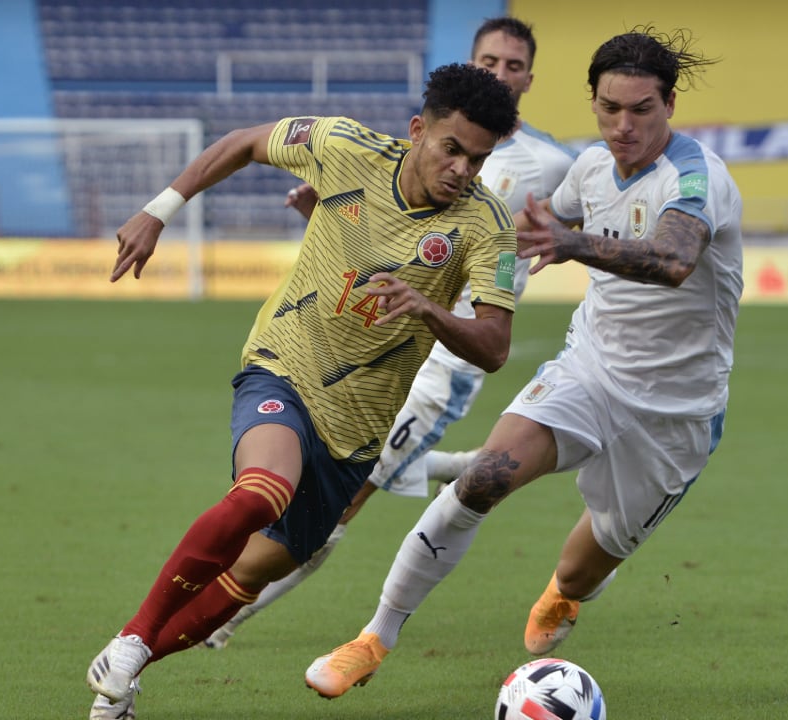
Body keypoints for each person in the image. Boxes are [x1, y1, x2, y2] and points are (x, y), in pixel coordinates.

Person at [303, 26, 743, 699]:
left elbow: (675, 260)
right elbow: (514, 234)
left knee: (582, 570)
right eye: (609, 108)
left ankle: (568, 591)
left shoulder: (697, 178)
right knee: (482, 479)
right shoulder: (591, 169)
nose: (623, 126)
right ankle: (375, 637)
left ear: (670, 105)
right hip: (590, 372)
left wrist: (573, 242)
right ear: (592, 102)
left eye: (641, 110)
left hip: (675, 410)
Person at [84, 62, 520, 720]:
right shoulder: (343, 145)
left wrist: (429, 310)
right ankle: (130, 641)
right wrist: (158, 210)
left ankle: (128, 669)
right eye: (451, 148)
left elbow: (494, 346)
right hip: (282, 366)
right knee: (263, 490)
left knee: (246, 580)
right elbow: (240, 143)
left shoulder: (486, 226)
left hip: (357, 438)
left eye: (477, 160)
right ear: (417, 130)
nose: (462, 169)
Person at [201, 16, 577, 652]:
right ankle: (461, 465)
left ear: (530, 80)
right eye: (490, 61)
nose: (500, 74)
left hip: (446, 363)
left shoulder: (555, 162)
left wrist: (566, 246)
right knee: (339, 478)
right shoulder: (427, 143)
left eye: (514, 66)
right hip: (372, 340)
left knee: (342, 505)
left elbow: (576, 232)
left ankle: (230, 616)